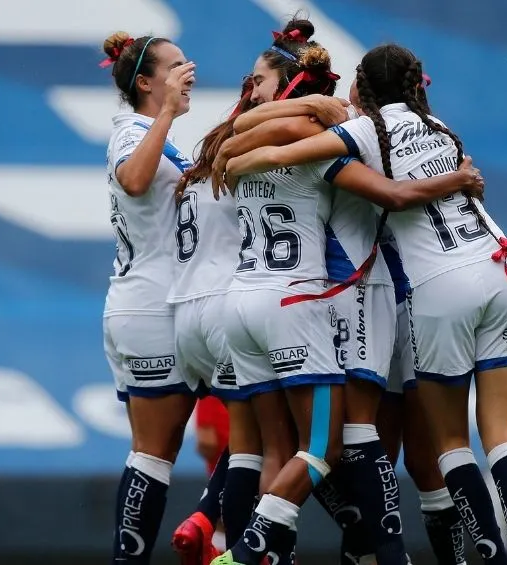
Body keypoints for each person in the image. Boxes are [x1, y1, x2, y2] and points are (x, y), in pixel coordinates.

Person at [223, 43, 507, 565]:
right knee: (489, 437)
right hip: (497, 269)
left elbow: (277, 145)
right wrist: (459, 178)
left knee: (429, 445)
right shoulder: (439, 126)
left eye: (259, 80)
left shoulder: (362, 128)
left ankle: (425, 554)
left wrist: (238, 156)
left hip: (405, 292)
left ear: (362, 89)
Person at [224, 77, 469, 565]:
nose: (254, 93)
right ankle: (382, 552)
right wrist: (459, 178)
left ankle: (362, 550)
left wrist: (254, 143)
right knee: (345, 439)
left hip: (351, 294)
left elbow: (237, 141)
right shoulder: (379, 137)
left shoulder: (350, 133)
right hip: (355, 292)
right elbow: (394, 195)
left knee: (326, 445)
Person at [99, 31, 200, 564]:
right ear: (145, 82)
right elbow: (135, 181)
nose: (189, 72)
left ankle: (213, 531)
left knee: (156, 453)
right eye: (175, 66)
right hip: (150, 308)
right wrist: (165, 115)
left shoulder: (156, 134)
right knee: (154, 455)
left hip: (162, 305)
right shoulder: (132, 131)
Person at [170, 73, 262, 565]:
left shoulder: (192, 178)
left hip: (183, 319)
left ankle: (213, 532)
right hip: (225, 309)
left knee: (247, 442)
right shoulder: (247, 169)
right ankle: (216, 527)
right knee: (269, 438)